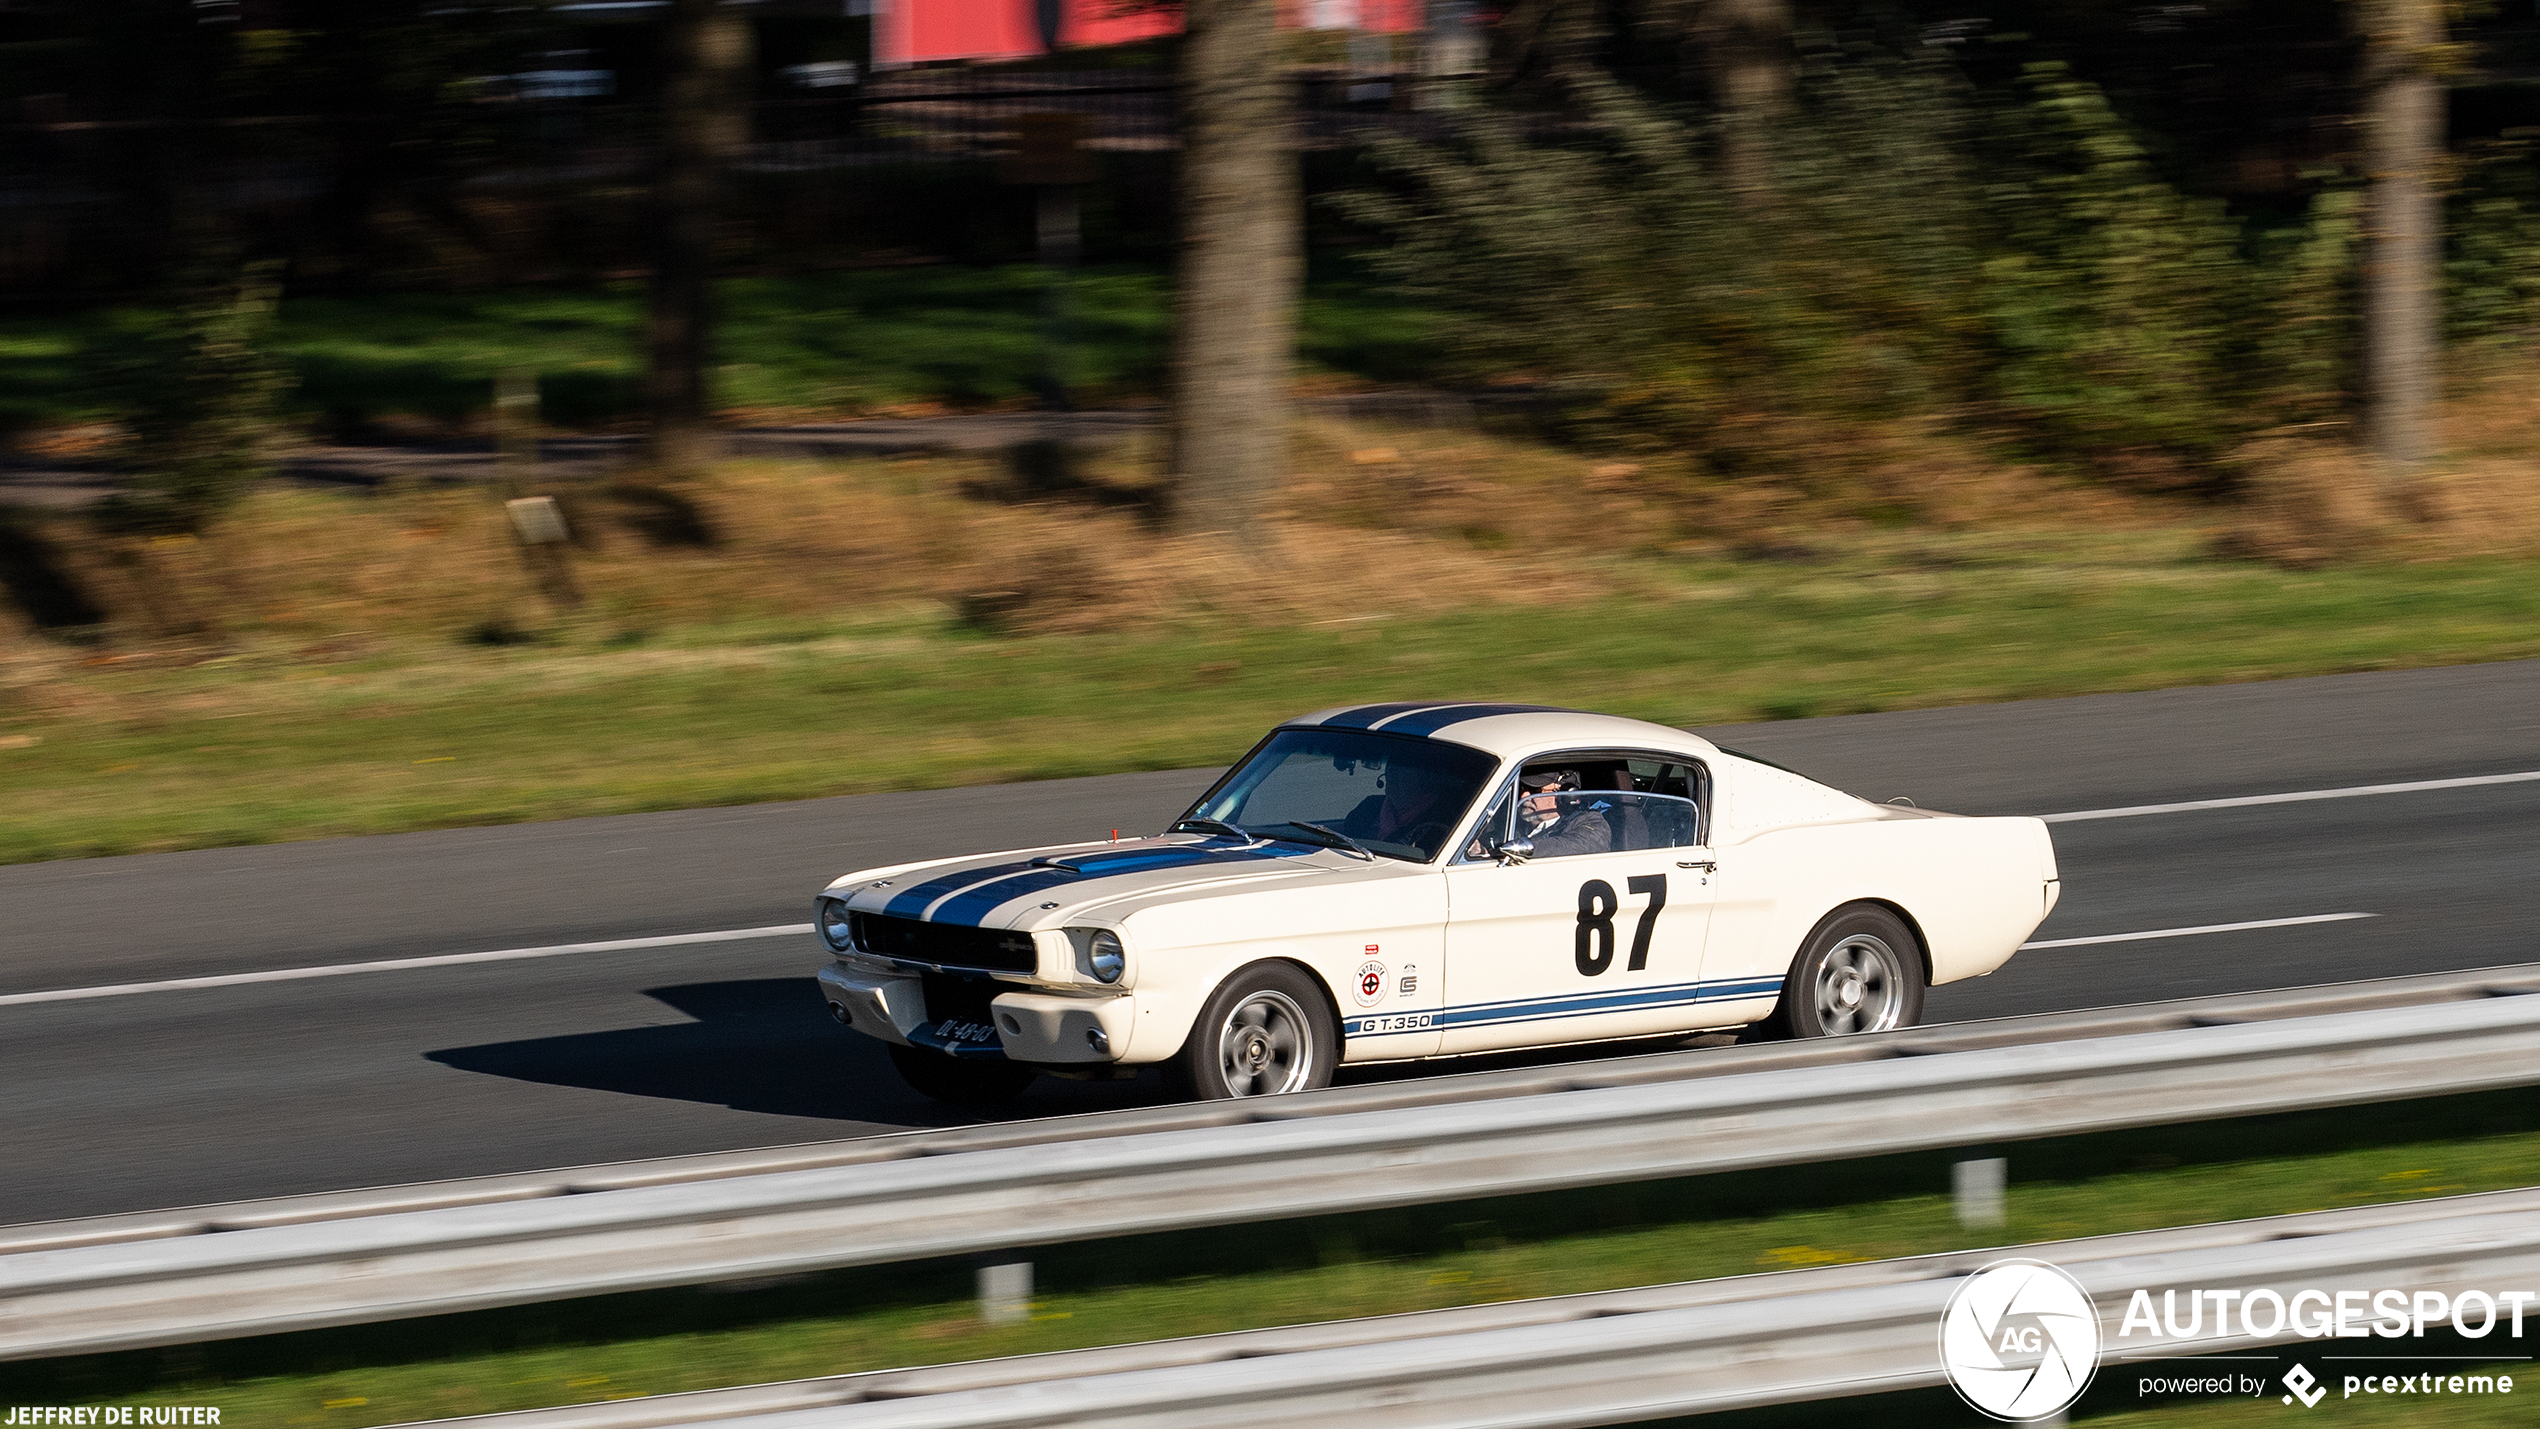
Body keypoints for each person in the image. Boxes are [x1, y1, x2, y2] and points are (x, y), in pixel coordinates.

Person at [1514, 769, 1611, 859]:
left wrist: (1517, 848)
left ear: (1566, 796)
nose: (1524, 796)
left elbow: (1570, 847)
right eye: (1523, 788)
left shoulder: (1593, 824)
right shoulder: (1512, 823)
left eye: (1535, 791)